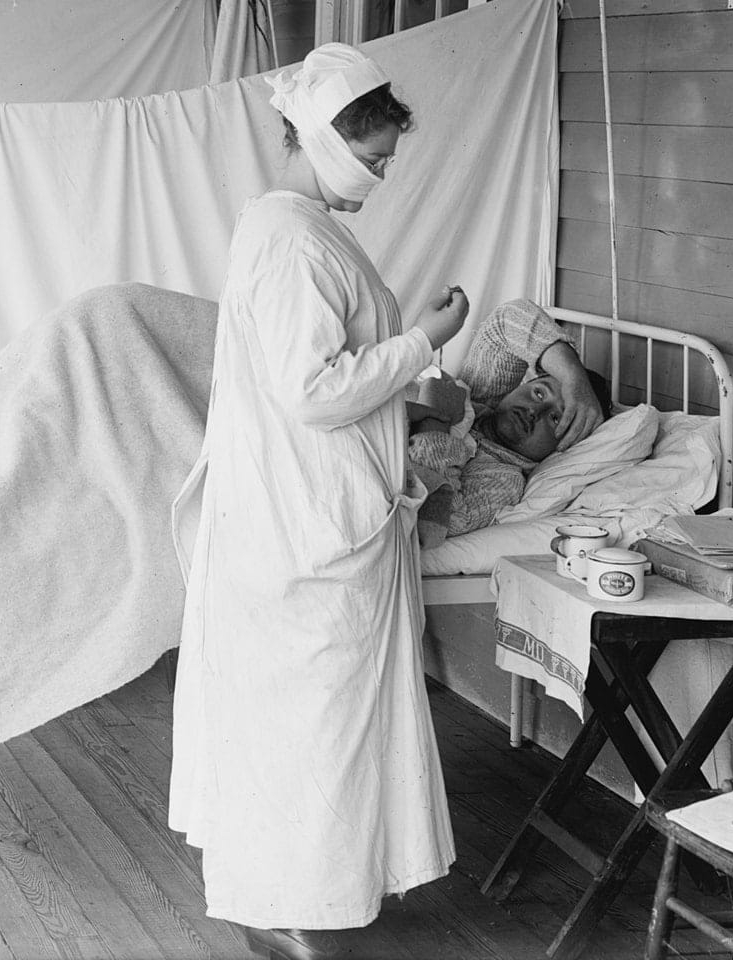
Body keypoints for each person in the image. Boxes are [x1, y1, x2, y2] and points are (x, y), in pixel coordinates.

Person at [169, 43, 467, 960]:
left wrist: (411, 388)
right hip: (302, 518)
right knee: (313, 720)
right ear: (327, 142)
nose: (380, 176)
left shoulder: (301, 226)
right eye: (373, 159)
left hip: (309, 503)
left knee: (318, 718)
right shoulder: (292, 237)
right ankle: (290, 903)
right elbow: (310, 391)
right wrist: (425, 340)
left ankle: (311, 893)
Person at [408, 298, 608, 541]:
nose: (535, 411)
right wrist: (573, 378)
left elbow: (440, 522)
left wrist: (435, 418)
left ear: (564, 444)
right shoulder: (480, 396)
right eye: (539, 393)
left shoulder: (504, 479)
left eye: (556, 418)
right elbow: (508, 318)